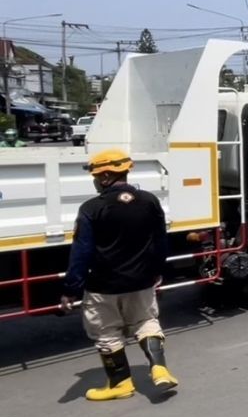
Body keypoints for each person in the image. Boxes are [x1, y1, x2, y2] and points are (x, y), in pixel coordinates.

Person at [59, 149, 175, 401]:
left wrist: (71, 289)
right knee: (146, 322)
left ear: (106, 177)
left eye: (95, 175)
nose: (94, 180)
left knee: (107, 332)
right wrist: (156, 272)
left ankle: (120, 385)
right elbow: (161, 243)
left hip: (104, 286)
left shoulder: (92, 208)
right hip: (142, 282)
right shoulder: (149, 201)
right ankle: (159, 367)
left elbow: (81, 252)